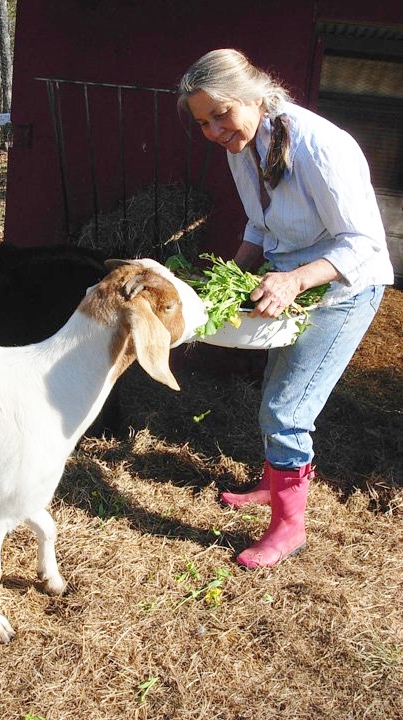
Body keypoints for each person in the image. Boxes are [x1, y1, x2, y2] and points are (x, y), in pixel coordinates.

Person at [177, 49, 394, 569]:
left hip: (341, 286)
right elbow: (261, 224)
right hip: (288, 280)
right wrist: (229, 275)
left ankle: (289, 527)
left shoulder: (319, 146)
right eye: (203, 123)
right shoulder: (242, 145)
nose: (213, 131)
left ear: (253, 95)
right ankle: (273, 486)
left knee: (287, 409)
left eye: (220, 115)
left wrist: (294, 279)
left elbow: (363, 242)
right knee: (277, 387)